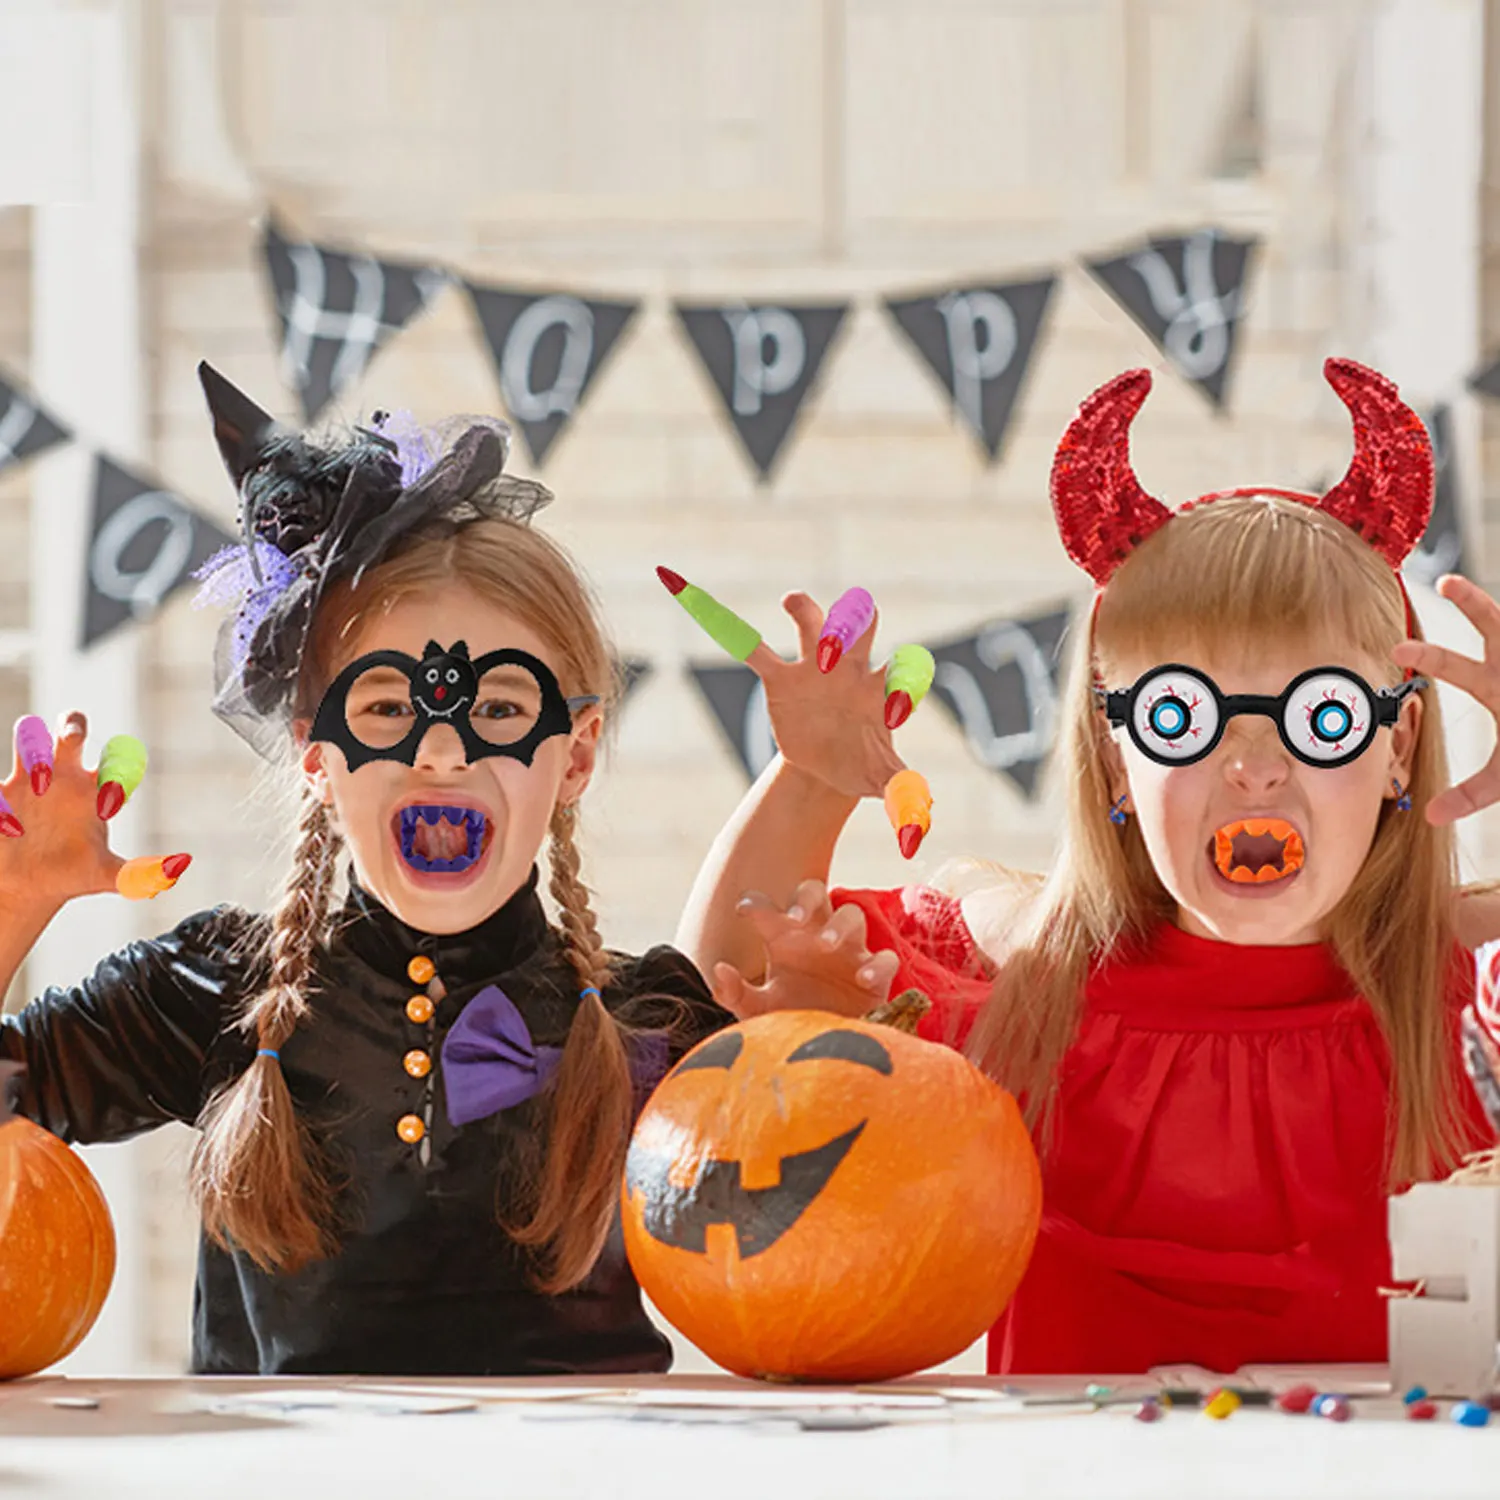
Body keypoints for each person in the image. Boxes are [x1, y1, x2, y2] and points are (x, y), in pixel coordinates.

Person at [678, 358, 1499, 1374]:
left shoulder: (1473, 1009)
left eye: (1320, 716)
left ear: (1397, 749)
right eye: (1183, 718)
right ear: (1116, 752)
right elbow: (708, 1017)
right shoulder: (1021, 986)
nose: (1251, 767)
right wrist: (810, 781)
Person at [0, 365, 729, 1376]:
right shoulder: (220, 990)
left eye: (501, 709)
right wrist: (13, 904)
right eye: (387, 708)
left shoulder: (653, 1020)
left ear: (576, 755)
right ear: (317, 754)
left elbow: (822, 1205)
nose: (441, 751)